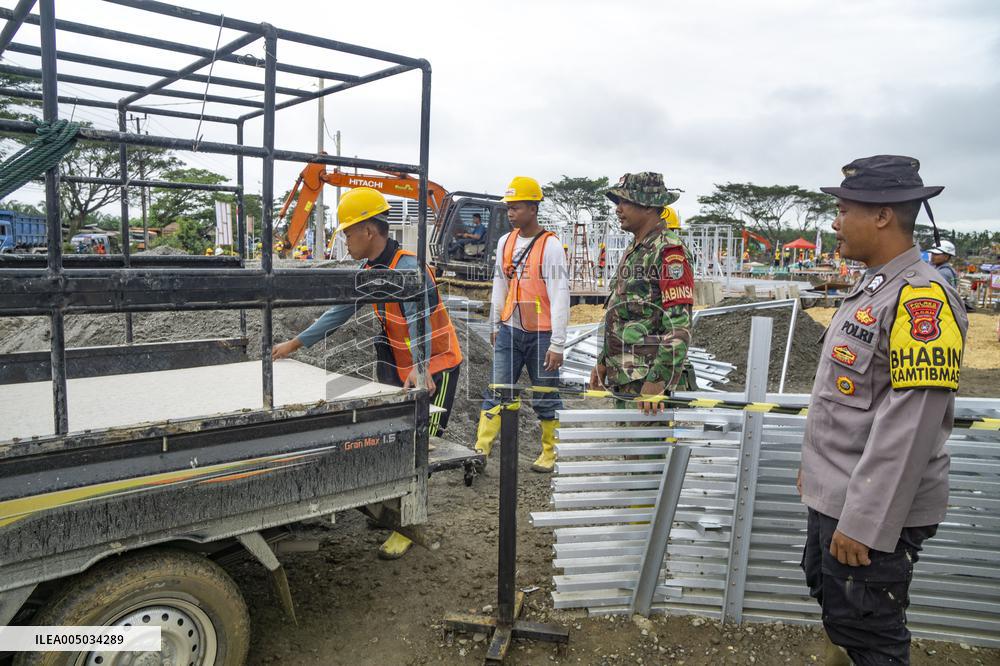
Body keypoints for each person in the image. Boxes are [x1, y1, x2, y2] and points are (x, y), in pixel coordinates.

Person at [799, 155, 968, 665]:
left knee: (870, 632)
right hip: (838, 491)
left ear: (882, 216)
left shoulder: (922, 299)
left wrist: (866, 521)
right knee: (838, 609)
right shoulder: (874, 286)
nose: (835, 223)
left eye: (843, 210)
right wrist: (815, 473)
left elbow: (911, 426)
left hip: (868, 505)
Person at [272, 187, 463, 560]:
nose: (345, 241)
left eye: (348, 233)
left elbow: (419, 322)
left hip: (435, 366)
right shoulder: (369, 272)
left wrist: (421, 369)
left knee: (419, 445)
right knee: (396, 441)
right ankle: (393, 509)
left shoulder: (408, 270)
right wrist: (294, 344)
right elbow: (339, 312)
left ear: (369, 231)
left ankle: (408, 522)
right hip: (402, 365)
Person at [474, 176, 569, 473]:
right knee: (497, 390)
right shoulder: (506, 242)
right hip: (509, 331)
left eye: (515, 207)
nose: (510, 213)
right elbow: (499, 284)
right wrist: (495, 324)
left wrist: (558, 343)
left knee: (545, 396)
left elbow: (560, 294)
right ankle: (481, 450)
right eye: (509, 208)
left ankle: (550, 452)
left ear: (533, 208)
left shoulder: (551, 246)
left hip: (542, 334)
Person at [589, 172, 694, 411]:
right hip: (625, 378)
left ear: (648, 206)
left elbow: (679, 325)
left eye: (625, 202)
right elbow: (619, 313)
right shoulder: (636, 249)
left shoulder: (668, 251)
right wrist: (603, 362)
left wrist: (658, 380)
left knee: (645, 437)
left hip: (646, 383)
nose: (618, 209)